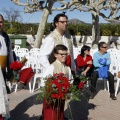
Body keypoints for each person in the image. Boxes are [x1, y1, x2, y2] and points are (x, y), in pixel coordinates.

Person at [39, 13, 75, 82]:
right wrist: (50, 69)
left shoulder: (69, 37)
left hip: (68, 70)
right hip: (56, 74)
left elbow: (71, 54)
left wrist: (73, 68)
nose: (65, 24)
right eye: (62, 22)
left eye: (66, 22)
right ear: (56, 23)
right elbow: (42, 56)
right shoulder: (51, 38)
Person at [42, 44, 73, 120]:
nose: (64, 56)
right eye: (61, 54)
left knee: (60, 115)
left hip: (61, 98)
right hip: (51, 99)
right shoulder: (51, 67)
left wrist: (69, 91)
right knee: (51, 116)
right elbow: (43, 82)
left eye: (66, 54)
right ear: (55, 55)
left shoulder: (67, 68)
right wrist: (52, 90)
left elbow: (70, 81)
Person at [0, 14, 13, 120]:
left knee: (3, 94)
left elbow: (10, 53)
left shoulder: (6, 37)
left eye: (0, 22)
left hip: (3, 70)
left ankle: (2, 114)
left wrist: (12, 67)